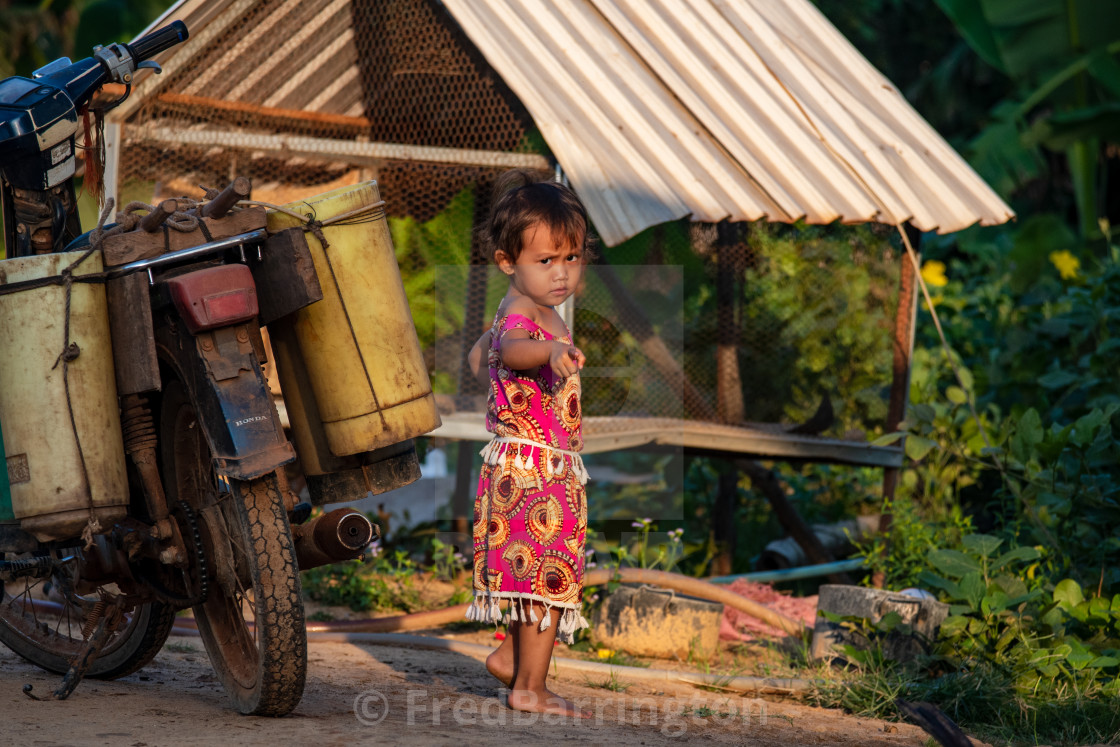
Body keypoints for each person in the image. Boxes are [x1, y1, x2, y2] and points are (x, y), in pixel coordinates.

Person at [464, 169, 593, 718]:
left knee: (532, 573)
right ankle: (529, 689)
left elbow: (481, 356)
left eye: (572, 258)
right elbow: (513, 348)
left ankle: (508, 657)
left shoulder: (526, 308)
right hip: (535, 471)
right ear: (506, 262)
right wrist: (545, 355)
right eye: (546, 261)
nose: (561, 273)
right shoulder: (525, 316)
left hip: (525, 465)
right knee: (546, 578)